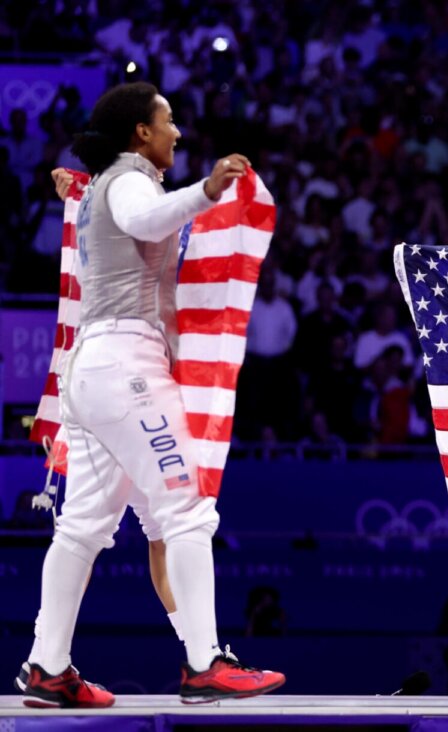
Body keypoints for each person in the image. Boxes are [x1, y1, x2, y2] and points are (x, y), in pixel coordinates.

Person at [18, 82, 284, 708]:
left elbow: (132, 225)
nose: (177, 133)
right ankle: (204, 664)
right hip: (126, 370)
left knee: (82, 528)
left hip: (93, 372)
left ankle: (47, 667)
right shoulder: (131, 181)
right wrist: (208, 191)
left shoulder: (111, 183)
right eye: (168, 121)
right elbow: (141, 218)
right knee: (187, 512)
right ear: (141, 131)